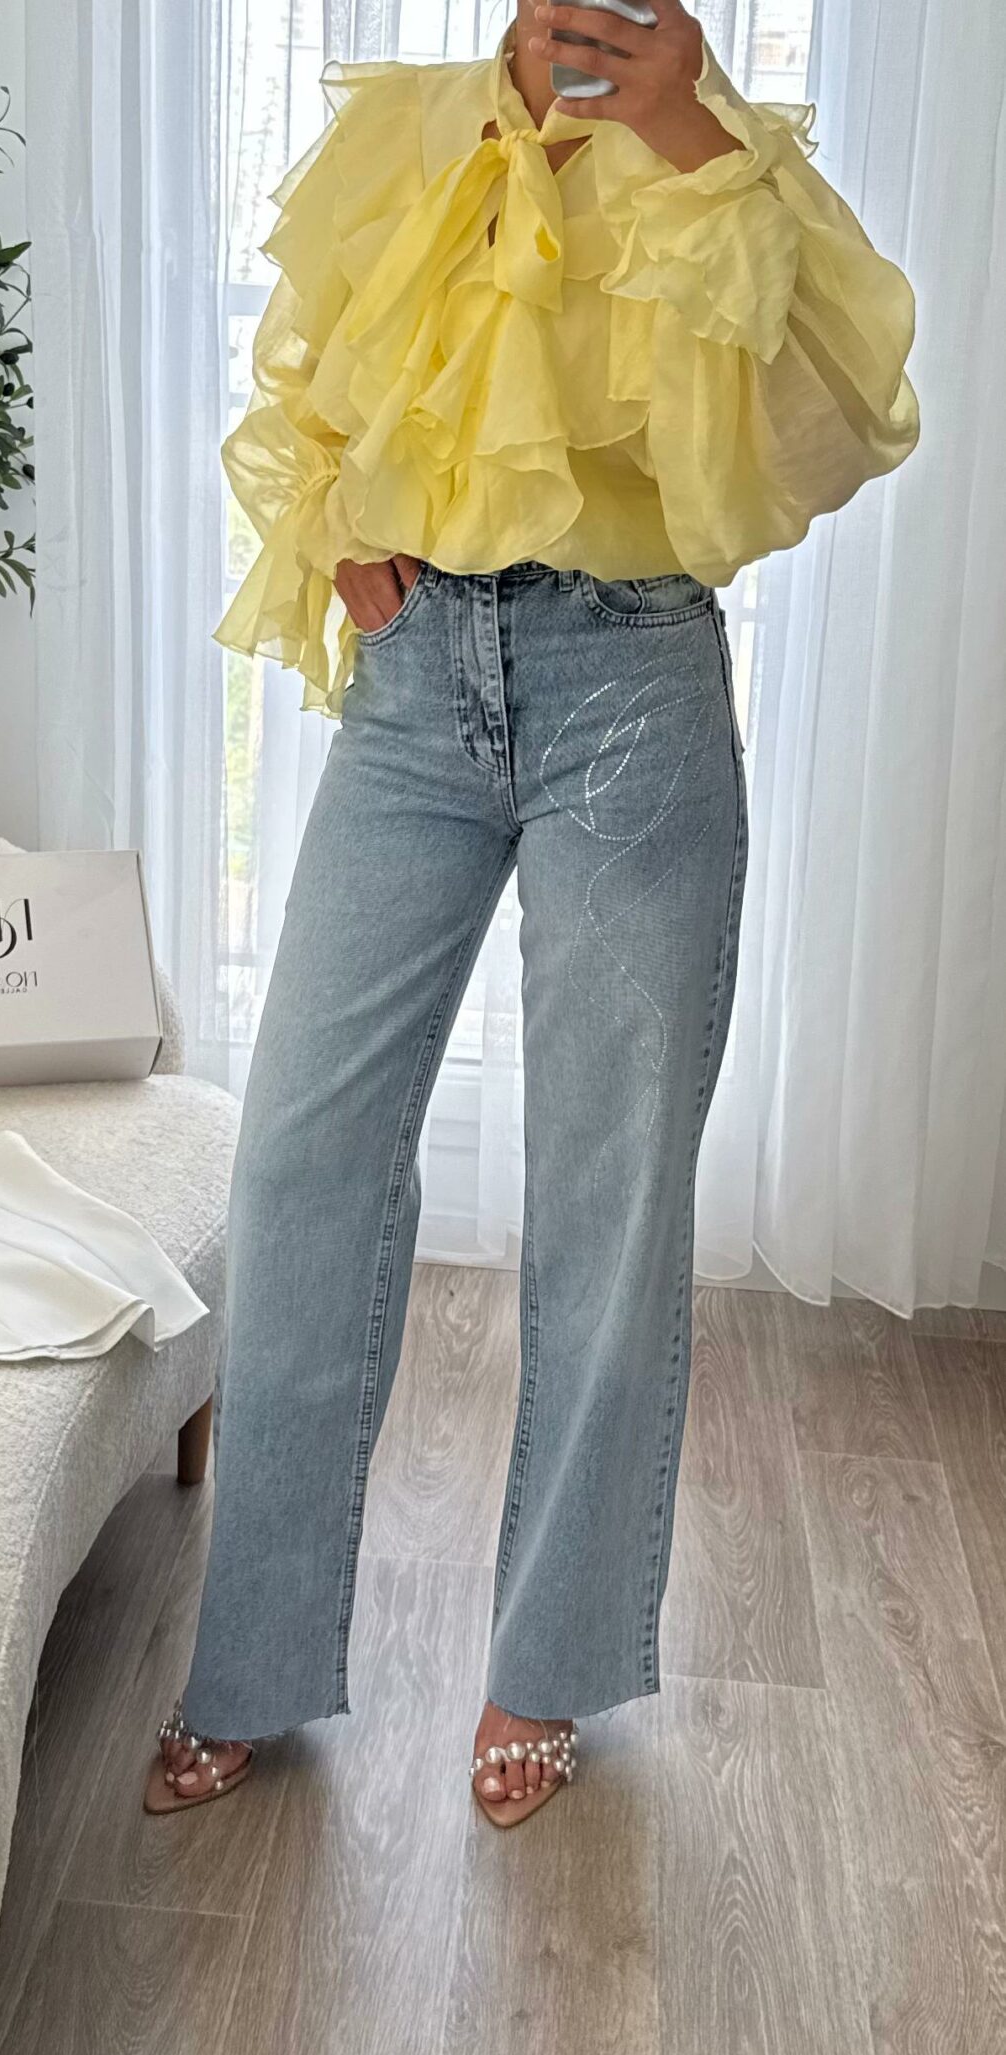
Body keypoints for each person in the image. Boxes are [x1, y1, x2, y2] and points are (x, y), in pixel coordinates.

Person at [148, 1, 918, 1828]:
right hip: (420, 684)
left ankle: (543, 1667)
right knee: (303, 1156)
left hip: (632, 683)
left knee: (609, 1190)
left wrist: (687, 144)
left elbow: (825, 432)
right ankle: (253, 1657)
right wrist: (345, 541)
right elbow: (309, 379)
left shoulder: (731, 159)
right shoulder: (405, 133)